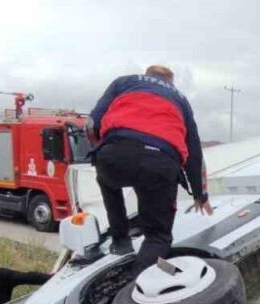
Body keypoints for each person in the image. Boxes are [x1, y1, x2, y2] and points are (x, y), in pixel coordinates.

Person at [89, 65, 212, 270]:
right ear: (169, 82)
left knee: (106, 179)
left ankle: (120, 240)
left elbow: (92, 122)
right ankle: (134, 284)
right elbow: (194, 152)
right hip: (160, 163)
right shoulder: (180, 99)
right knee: (158, 237)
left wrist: (99, 149)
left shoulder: (124, 82)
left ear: (147, 76)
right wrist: (200, 194)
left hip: (115, 153)